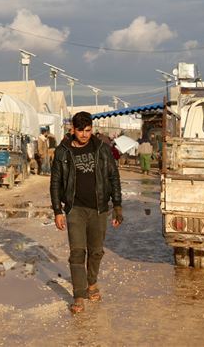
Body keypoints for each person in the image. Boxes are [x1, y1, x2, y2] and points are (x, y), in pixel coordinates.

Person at [50, 111, 122, 314]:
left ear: (92, 130)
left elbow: (113, 177)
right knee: (77, 252)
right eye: (80, 130)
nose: (84, 134)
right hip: (75, 209)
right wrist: (58, 210)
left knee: (96, 251)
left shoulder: (102, 149)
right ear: (72, 130)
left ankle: (92, 283)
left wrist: (117, 205)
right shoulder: (63, 151)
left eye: (87, 130)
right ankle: (79, 295)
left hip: (99, 208)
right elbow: (55, 183)